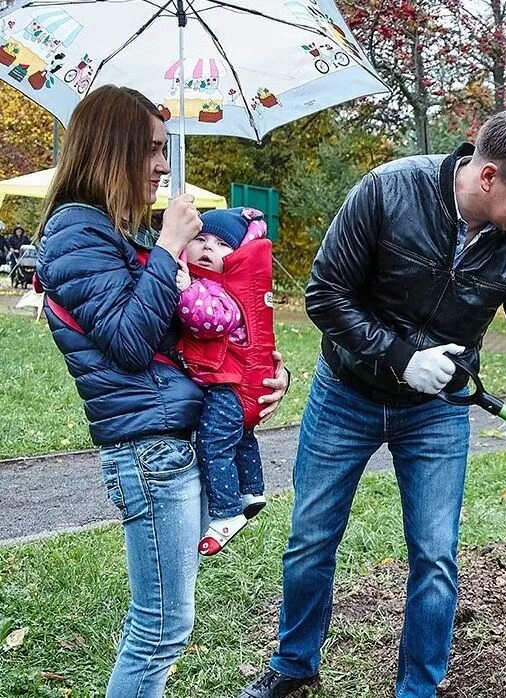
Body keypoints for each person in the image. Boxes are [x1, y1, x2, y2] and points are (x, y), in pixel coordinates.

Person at [240, 108, 506, 698]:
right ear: (487, 178)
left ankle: (418, 690)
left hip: (438, 409)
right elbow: (325, 295)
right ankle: (294, 666)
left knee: (434, 557)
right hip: (347, 393)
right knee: (312, 538)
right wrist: (400, 354)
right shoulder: (389, 191)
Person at [34, 85, 289, 698]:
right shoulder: (75, 233)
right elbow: (127, 339)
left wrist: (251, 381)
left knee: (166, 627)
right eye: (150, 149)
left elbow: (174, 340)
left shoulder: (116, 237)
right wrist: (170, 245)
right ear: (112, 150)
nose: (160, 165)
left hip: (174, 442)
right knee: (159, 630)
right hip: (149, 454)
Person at [175, 207, 276, 556]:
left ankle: (226, 512)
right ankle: (251, 489)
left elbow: (209, 320)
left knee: (213, 444)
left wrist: (186, 290)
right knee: (241, 439)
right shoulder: (218, 284)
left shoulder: (221, 290)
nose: (207, 248)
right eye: (200, 239)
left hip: (228, 387)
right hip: (239, 386)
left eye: (220, 244)